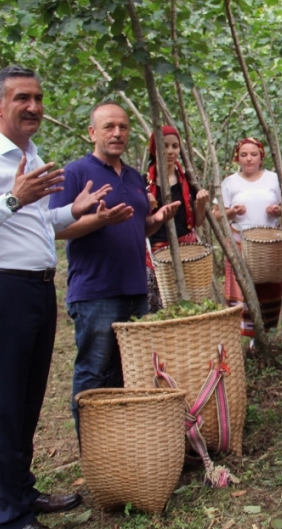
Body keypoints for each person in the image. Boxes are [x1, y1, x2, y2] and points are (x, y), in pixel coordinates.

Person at [0, 66, 111, 529]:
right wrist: (12, 200)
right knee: (5, 403)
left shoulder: (32, 156)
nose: (34, 107)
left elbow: (32, 226)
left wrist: (69, 212)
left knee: (28, 400)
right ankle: (12, 515)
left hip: (38, 288)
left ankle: (23, 491)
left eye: (38, 98)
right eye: (23, 98)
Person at [50, 102, 180, 434]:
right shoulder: (76, 173)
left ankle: (122, 443)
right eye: (109, 127)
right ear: (92, 132)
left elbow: (137, 227)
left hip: (135, 289)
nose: (117, 133)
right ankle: (92, 446)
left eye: (122, 127)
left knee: (129, 371)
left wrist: (156, 221)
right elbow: (54, 229)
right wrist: (98, 220)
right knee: (94, 372)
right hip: (95, 291)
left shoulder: (135, 177)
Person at [217, 137, 282, 338]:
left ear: (261, 157)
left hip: (269, 244)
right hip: (240, 243)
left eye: (254, 154)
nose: (249, 159)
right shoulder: (229, 182)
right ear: (237, 158)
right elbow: (216, 213)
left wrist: (277, 210)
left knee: (268, 287)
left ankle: (267, 334)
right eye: (244, 154)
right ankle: (246, 336)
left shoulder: (273, 179)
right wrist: (231, 212)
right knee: (242, 288)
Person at [144, 125, 209, 312]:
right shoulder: (143, 183)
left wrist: (201, 204)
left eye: (175, 146)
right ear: (154, 149)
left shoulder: (188, 180)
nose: (170, 151)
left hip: (188, 249)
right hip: (157, 251)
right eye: (164, 146)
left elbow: (197, 223)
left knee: (191, 301)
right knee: (164, 304)